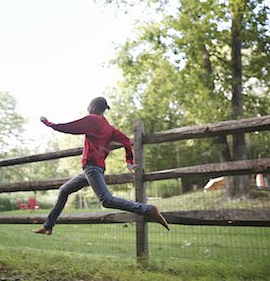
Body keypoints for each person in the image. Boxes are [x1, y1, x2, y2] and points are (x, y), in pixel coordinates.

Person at [32, 97, 170, 235]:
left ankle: (149, 210)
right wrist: (129, 161)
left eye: (88, 107)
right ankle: (48, 226)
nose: (87, 109)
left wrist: (48, 123)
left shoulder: (92, 119)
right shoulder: (109, 128)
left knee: (106, 200)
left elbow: (69, 127)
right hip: (91, 169)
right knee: (64, 190)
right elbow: (127, 141)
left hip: (92, 168)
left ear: (93, 107)